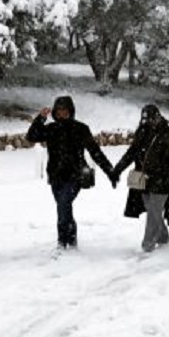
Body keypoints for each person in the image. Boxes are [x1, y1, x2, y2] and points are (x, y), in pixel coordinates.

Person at [26, 95, 117, 252]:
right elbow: (31, 136)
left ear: (71, 111)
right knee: (64, 208)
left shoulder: (80, 129)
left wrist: (110, 171)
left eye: (65, 110)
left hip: (75, 176)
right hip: (55, 175)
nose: (62, 114)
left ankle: (62, 241)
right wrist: (40, 119)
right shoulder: (51, 129)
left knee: (63, 205)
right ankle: (72, 239)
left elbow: (95, 152)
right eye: (59, 111)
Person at [112, 104, 169, 253]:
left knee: (153, 211)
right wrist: (117, 170)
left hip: (164, 180)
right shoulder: (141, 133)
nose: (147, 122)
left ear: (157, 117)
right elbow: (130, 153)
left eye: (149, 118)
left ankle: (147, 245)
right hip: (145, 180)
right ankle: (163, 237)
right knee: (152, 210)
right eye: (144, 119)